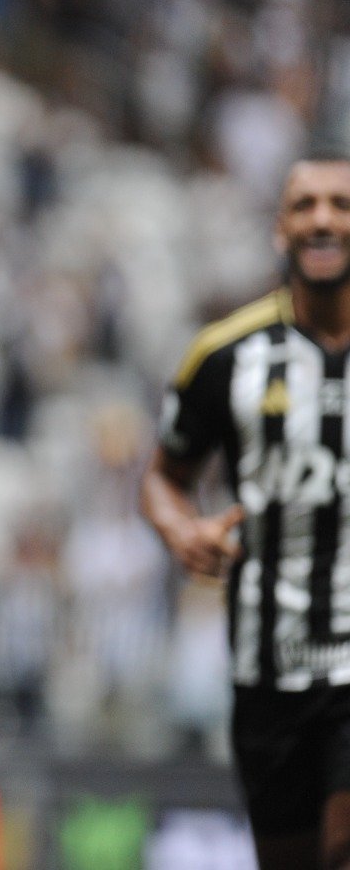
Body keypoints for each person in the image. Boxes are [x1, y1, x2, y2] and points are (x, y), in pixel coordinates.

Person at [142, 156, 350, 870]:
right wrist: (182, 529)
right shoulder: (227, 355)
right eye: (306, 206)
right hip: (267, 664)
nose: (324, 219)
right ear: (280, 230)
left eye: (341, 204)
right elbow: (164, 478)